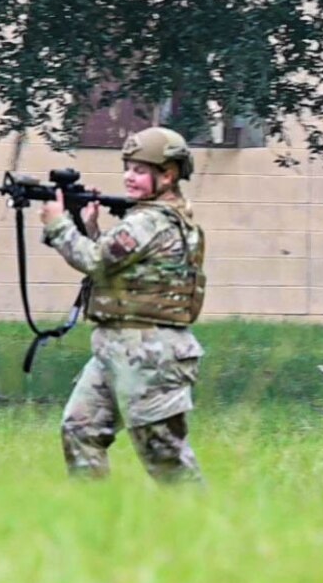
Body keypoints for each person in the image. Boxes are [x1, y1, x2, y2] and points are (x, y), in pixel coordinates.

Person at [41, 126, 208, 483]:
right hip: (116, 351)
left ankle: (202, 529)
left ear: (168, 174)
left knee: (166, 460)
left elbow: (95, 262)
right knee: (80, 429)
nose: (129, 177)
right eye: (128, 167)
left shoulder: (151, 220)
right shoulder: (146, 218)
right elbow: (120, 270)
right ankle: (96, 521)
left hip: (151, 357)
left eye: (141, 170)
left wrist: (58, 224)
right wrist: (90, 229)